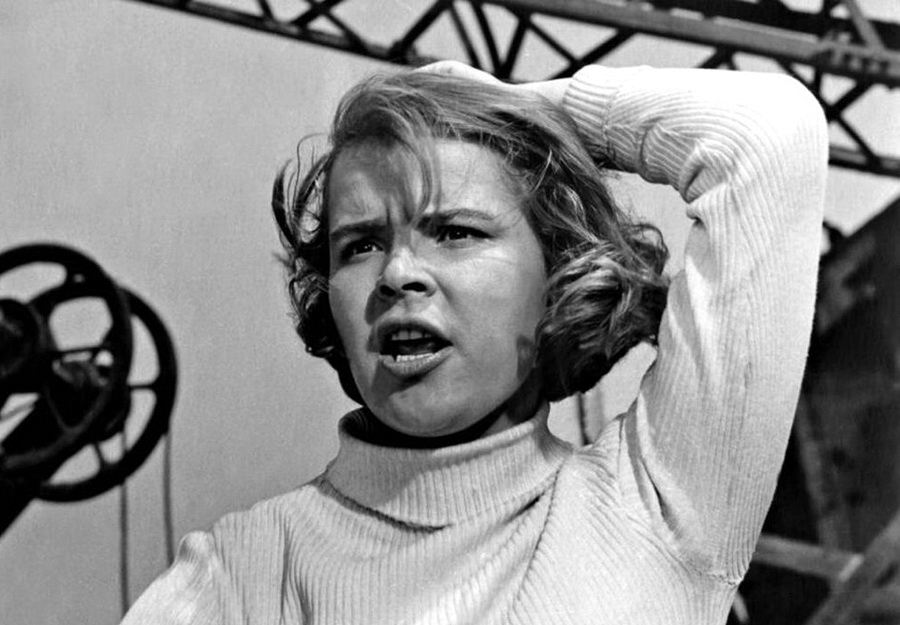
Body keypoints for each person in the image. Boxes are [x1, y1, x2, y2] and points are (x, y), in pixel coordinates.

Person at [122, 60, 827, 624]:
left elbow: (767, 136)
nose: (397, 273)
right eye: (360, 244)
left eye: (455, 232)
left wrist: (508, 111)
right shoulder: (241, 575)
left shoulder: (656, 508)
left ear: (559, 270)